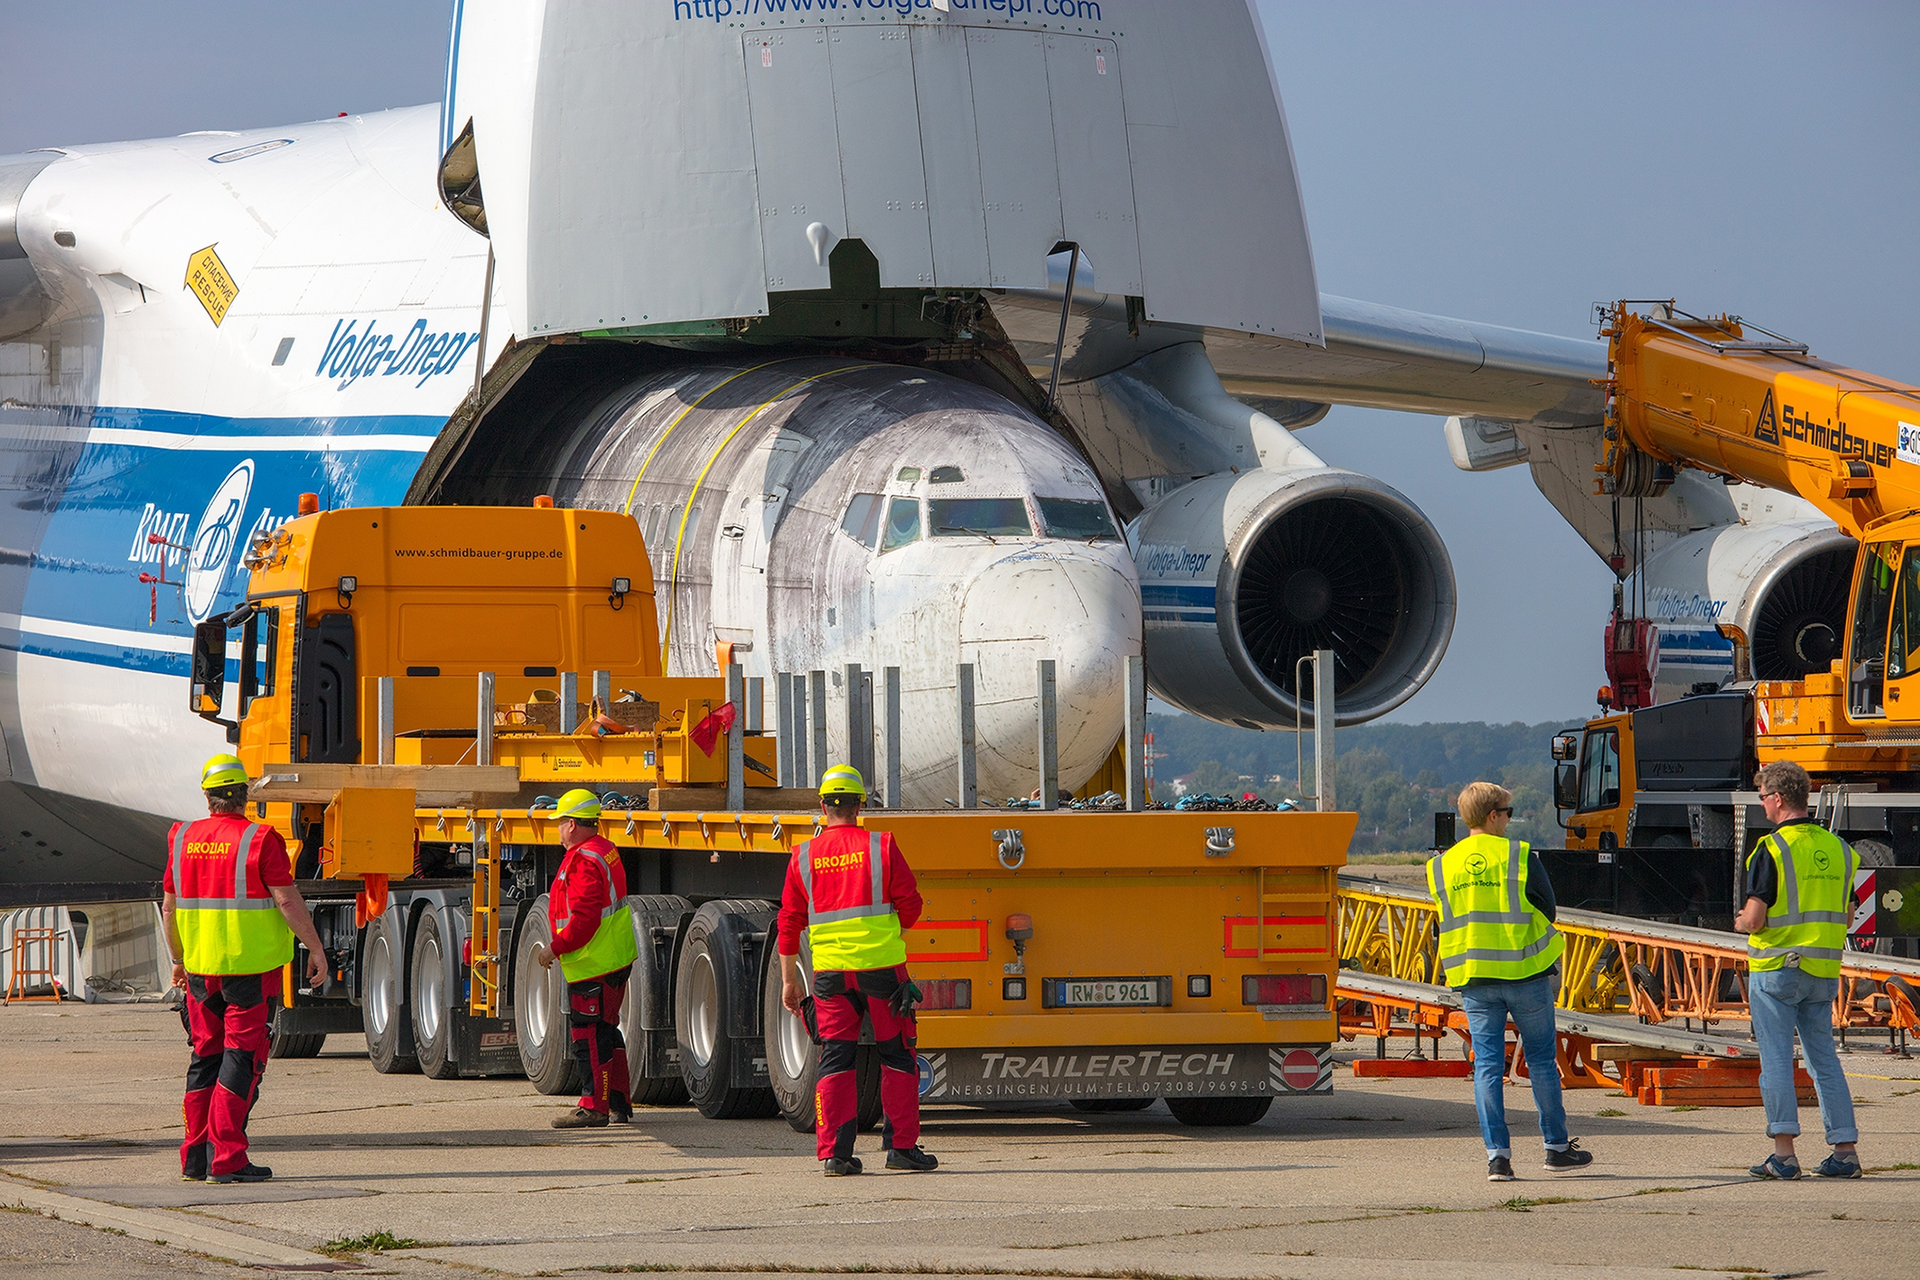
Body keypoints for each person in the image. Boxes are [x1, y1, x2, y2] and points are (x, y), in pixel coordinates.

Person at [162, 754, 327, 1185]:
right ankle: (227, 1159)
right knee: (241, 1058)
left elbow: (169, 907)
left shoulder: (181, 838)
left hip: (201, 971)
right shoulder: (260, 839)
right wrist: (315, 948)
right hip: (251, 971)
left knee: (205, 1058)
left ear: (207, 796)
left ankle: (195, 1159)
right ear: (244, 795)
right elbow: (286, 900)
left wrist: (178, 960)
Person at [777, 765, 938, 1176]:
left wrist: (789, 980)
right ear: (860, 805)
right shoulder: (881, 846)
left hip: (830, 975)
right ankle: (902, 1149)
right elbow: (912, 905)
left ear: (823, 806)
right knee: (897, 1055)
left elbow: (789, 922)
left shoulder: (803, 855)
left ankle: (835, 1155)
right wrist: (888, 934)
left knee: (836, 1058)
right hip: (882, 971)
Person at [1428, 781, 1593, 1182]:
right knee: (1541, 1061)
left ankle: (1497, 1158)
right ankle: (1556, 1149)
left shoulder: (1442, 865)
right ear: (1493, 816)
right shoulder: (1519, 856)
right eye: (1508, 811)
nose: (1509, 818)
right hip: (1524, 973)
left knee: (1486, 1066)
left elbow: (1445, 919)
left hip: (1474, 977)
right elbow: (1547, 910)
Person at [1739, 761, 1862, 1180]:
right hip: (1822, 971)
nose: (1762, 805)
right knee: (1824, 1059)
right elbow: (1848, 914)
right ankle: (1844, 1152)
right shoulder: (1840, 849)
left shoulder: (1772, 848)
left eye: (1762, 798)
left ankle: (1784, 1155)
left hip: (1776, 969)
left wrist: (1741, 921)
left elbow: (1755, 918)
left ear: (1777, 798)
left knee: (1776, 1059)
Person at [532, 788, 639, 1128]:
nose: (558, 828)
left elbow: (584, 919)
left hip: (593, 961)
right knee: (607, 1030)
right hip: (613, 957)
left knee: (588, 1036)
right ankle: (618, 1102)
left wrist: (554, 948)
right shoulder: (604, 849)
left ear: (573, 824)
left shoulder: (583, 860)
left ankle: (594, 1107)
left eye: (560, 821)